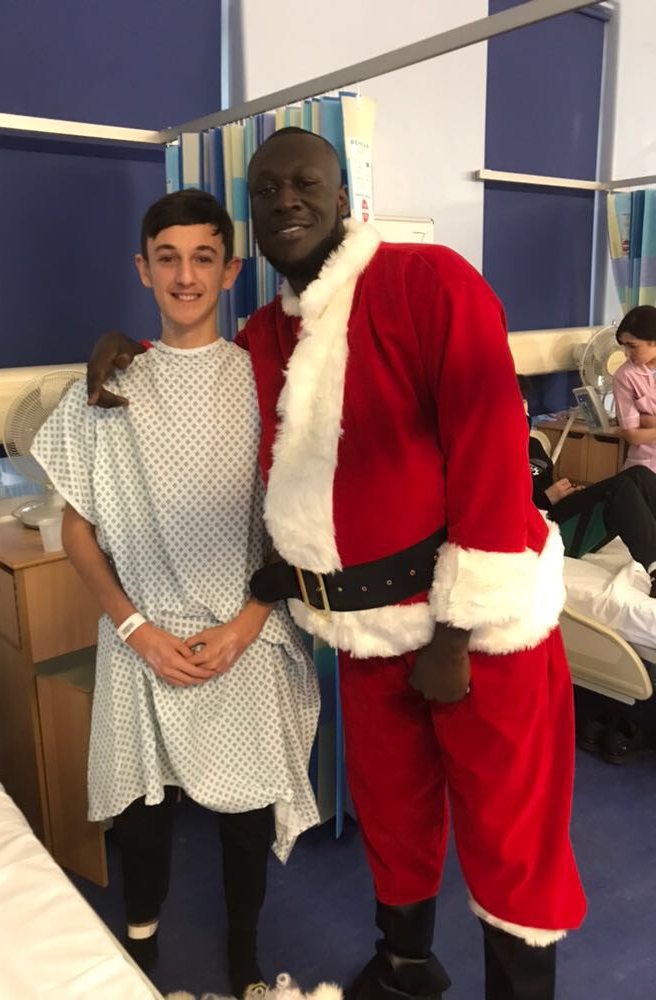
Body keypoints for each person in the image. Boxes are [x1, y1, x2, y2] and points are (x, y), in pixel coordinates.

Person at [86, 128, 586, 1000]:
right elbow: (208, 394)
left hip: (474, 635)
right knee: (393, 815)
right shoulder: (266, 334)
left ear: (344, 192)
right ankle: (405, 968)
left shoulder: (429, 284)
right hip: (357, 634)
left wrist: (456, 631)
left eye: (304, 182)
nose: (285, 200)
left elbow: (492, 455)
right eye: (267, 188)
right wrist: (128, 355)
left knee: (509, 836)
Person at [32, 188, 320, 998]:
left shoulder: (269, 384)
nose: (185, 276)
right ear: (143, 268)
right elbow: (78, 529)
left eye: (203, 258)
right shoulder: (109, 386)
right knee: (143, 821)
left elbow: (290, 527)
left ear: (230, 270)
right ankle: (142, 947)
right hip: (142, 636)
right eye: (168, 257)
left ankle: (242, 957)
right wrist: (132, 628)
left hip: (245, 632)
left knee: (244, 822)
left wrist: (245, 623)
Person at [522, 377, 656, 596]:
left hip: (554, 514)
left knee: (638, 475)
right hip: (540, 533)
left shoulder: (533, 445)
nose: (522, 406)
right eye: (514, 401)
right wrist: (546, 498)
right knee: (621, 488)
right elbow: (510, 509)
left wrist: (566, 496)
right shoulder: (493, 453)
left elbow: (543, 487)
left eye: (524, 400)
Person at [613, 304, 656, 472]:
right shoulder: (624, 376)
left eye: (632, 346)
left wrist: (647, 421)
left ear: (653, 341)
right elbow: (632, 435)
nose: (626, 353)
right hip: (644, 466)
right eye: (624, 345)